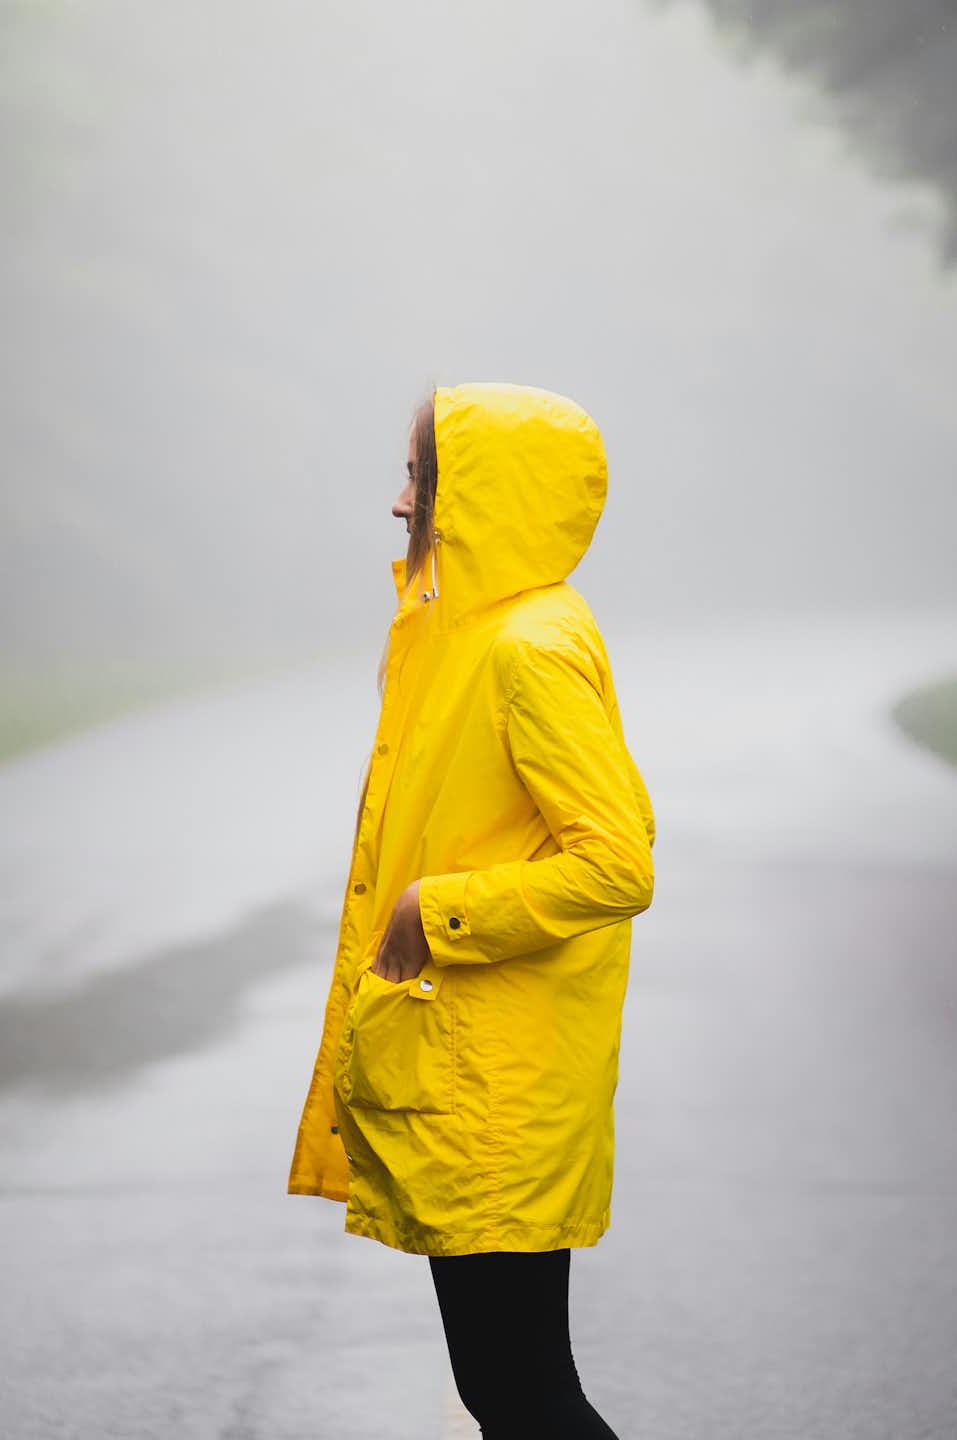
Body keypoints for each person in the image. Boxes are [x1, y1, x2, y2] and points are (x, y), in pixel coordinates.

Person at [287, 382, 656, 1437]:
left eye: (422, 479)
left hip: (501, 1086)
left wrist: (434, 912)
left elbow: (616, 864)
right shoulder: (456, 632)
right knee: (507, 1392)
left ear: (484, 496)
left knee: (522, 1393)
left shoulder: (524, 648)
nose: (400, 504)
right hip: (472, 1068)